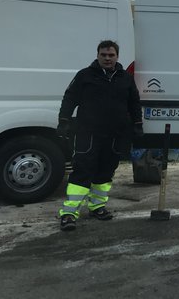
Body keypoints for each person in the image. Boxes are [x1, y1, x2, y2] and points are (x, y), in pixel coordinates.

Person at [57, 40, 143, 231]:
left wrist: (138, 124)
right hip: (88, 133)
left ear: (117, 57)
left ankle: (97, 207)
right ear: (97, 55)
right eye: (103, 54)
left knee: (105, 173)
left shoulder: (125, 78)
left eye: (111, 55)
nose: (107, 58)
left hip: (115, 135)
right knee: (83, 171)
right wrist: (64, 120)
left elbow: (134, 103)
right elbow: (70, 97)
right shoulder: (85, 75)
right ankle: (69, 213)